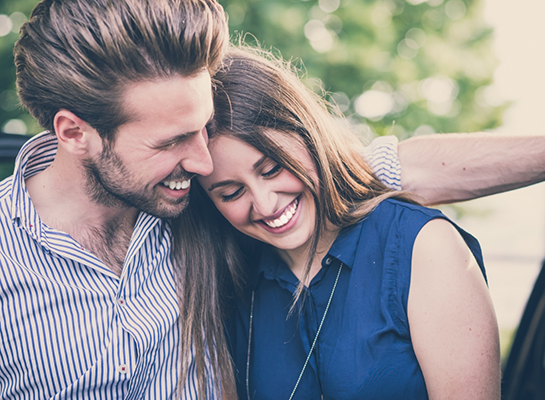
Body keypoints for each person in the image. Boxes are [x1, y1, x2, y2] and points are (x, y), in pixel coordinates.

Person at [193, 46, 501, 399]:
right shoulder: (231, 280)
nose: (264, 204)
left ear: (307, 133)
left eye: (273, 169)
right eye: (231, 193)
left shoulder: (423, 246)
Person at [1, 0, 232, 398]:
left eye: (203, 127)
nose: (204, 163)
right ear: (75, 134)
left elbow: (334, 176)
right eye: (171, 142)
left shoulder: (214, 204)